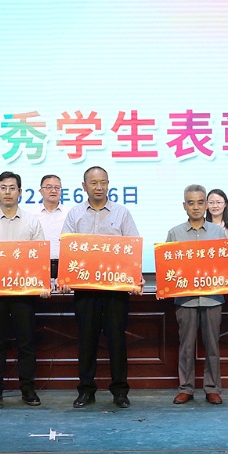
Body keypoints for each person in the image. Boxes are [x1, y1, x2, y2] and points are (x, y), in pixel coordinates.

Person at [60, 166, 143, 409]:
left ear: (108, 184)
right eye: (94, 183)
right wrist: (63, 277)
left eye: (103, 182)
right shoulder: (75, 214)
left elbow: (132, 248)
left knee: (117, 341)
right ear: (84, 186)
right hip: (85, 291)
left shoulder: (122, 213)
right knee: (87, 341)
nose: (99, 187)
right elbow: (67, 250)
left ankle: (120, 391)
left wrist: (135, 277)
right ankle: (86, 391)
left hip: (116, 291)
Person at [0, 171, 49, 407]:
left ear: (20, 192)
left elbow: (40, 257)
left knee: (27, 342)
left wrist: (43, 283)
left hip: (24, 294)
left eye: (12, 188)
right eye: (3, 188)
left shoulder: (32, 222)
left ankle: (28, 389)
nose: (8, 192)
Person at [165, 184, 227, 405]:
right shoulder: (175, 233)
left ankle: (212, 388)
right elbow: (168, 268)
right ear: (184, 206)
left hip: (213, 298)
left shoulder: (218, 233)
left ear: (207, 205)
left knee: (213, 345)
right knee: (186, 346)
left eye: (200, 202)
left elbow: (227, 265)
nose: (196, 207)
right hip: (186, 299)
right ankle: (186, 388)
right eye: (191, 203)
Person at [36, 174, 67, 281]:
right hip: (38, 265)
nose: (53, 191)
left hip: (64, 265)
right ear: (41, 191)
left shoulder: (70, 213)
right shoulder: (31, 215)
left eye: (57, 188)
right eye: (49, 187)